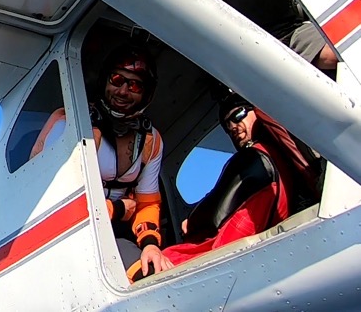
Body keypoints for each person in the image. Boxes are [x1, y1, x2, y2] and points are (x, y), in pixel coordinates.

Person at [131, 93, 313, 281]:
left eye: (238, 115)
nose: (233, 126)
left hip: (221, 253)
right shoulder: (281, 161)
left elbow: (215, 213)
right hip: (246, 257)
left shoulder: (254, 159)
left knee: (142, 271)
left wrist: (192, 222)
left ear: (256, 112)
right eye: (227, 125)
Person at [29, 43, 168, 277]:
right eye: (116, 79)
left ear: (146, 93)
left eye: (134, 85)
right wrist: (117, 208)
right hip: (67, 235)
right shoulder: (73, 125)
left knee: (150, 272)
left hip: (113, 233)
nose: (123, 91)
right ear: (105, 81)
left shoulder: (151, 141)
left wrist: (150, 244)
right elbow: (56, 202)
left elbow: (147, 204)